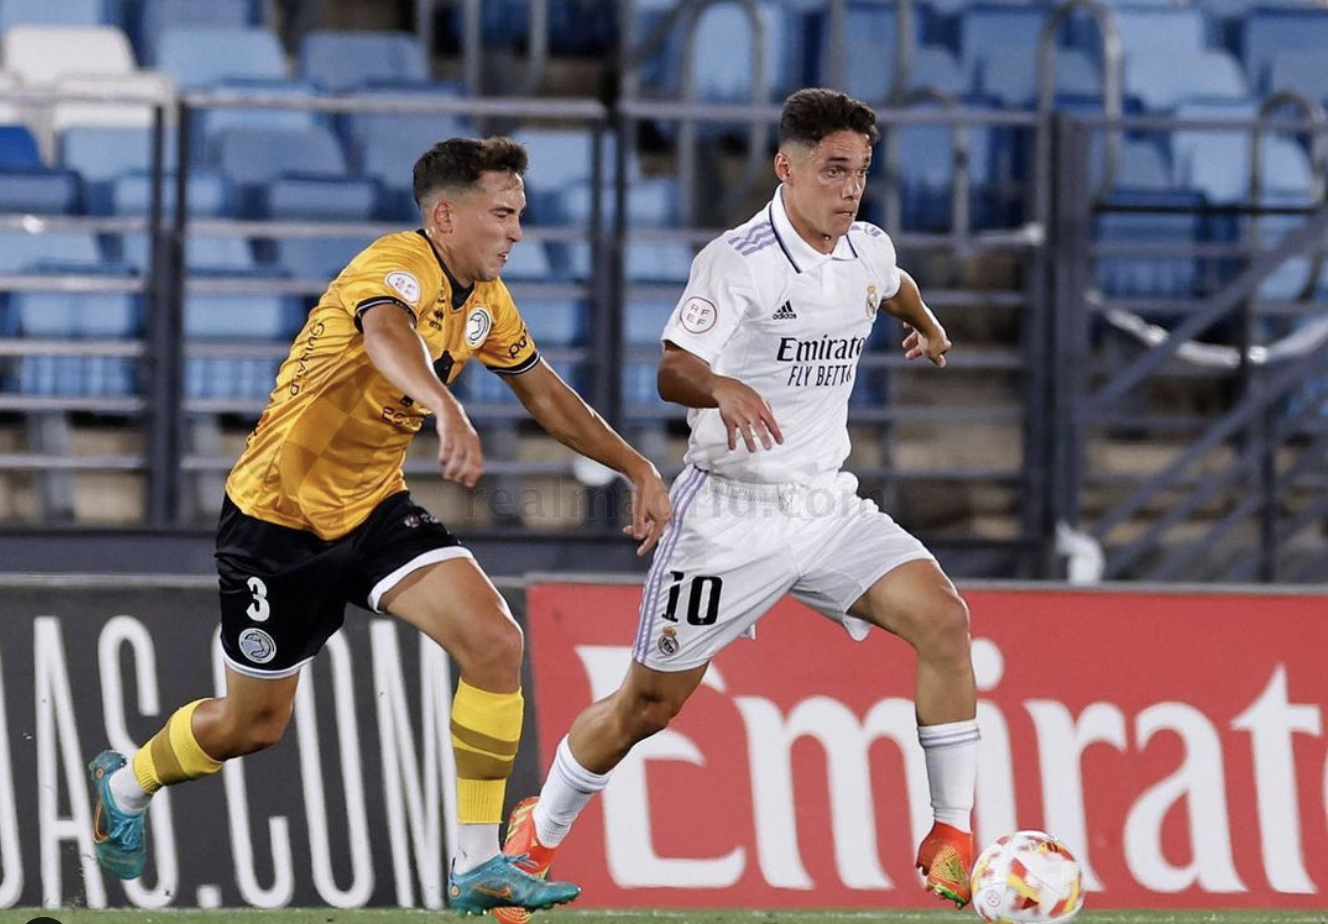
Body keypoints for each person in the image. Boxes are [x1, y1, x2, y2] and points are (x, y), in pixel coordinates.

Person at [85, 136, 673, 916]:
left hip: (374, 508)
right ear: (445, 215)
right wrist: (444, 404)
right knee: (250, 726)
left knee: (495, 640)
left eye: (520, 215)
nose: (516, 232)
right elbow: (385, 333)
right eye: (501, 214)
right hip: (277, 520)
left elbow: (547, 395)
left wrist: (637, 466)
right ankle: (124, 784)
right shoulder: (394, 262)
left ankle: (476, 865)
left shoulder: (486, 303)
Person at [491, 88, 980, 923]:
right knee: (648, 705)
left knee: (944, 620)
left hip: (826, 506)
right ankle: (535, 834)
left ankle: (952, 837)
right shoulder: (739, 259)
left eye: (861, 172)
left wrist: (926, 323)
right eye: (834, 170)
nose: (850, 189)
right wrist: (724, 385)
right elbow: (672, 367)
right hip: (729, 515)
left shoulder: (865, 246)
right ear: (785, 168)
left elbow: (890, 283)